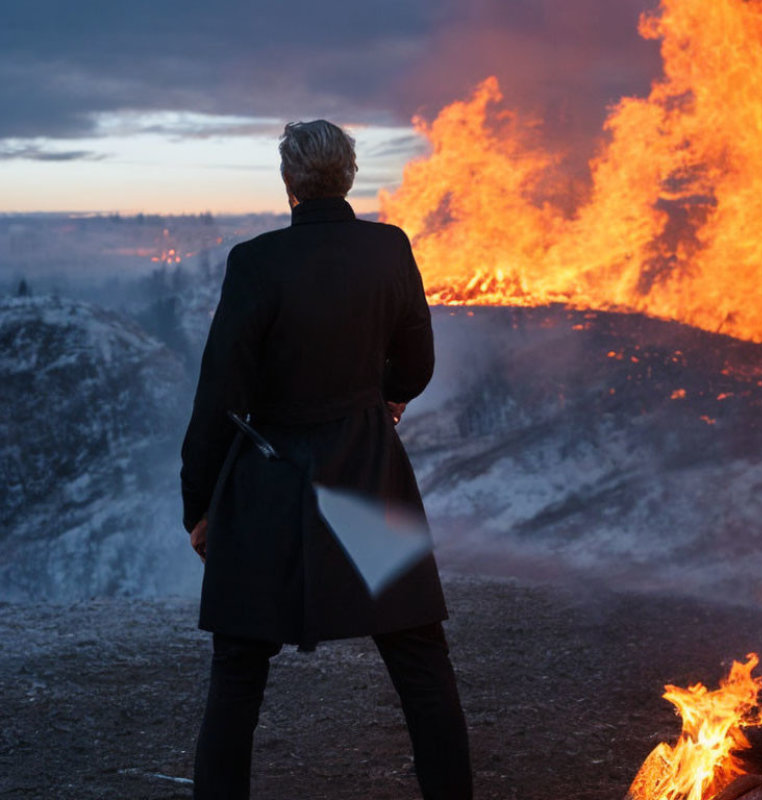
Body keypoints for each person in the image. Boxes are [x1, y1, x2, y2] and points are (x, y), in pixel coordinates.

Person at [180, 120, 472, 799]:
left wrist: (200, 506)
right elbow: (418, 364)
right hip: (368, 472)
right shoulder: (389, 249)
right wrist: (385, 399)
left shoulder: (256, 263)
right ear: (347, 177)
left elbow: (220, 395)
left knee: (238, 673)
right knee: (421, 662)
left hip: (270, 485)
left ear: (289, 184)